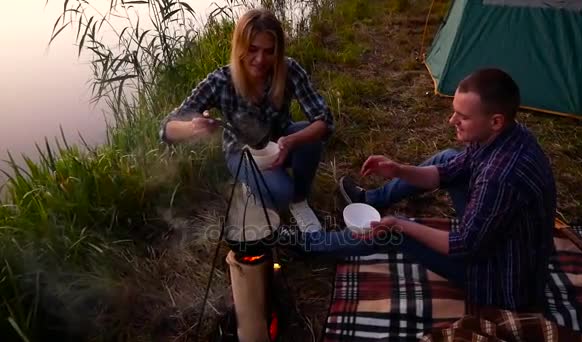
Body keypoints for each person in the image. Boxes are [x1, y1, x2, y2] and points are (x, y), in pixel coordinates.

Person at [288, 68, 556, 311]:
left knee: (391, 232)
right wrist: (399, 169)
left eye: (462, 117)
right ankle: (370, 199)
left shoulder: (500, 177)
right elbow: (447, 173)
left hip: (499, 282)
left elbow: (463, 246)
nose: (452, 121)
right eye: (454, 112)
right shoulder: (503, 134)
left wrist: (400, 225)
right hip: (501, 245)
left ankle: (308, 243)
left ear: (496, 121)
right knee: (447, 158)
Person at [159, 8, 333, 232]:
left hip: (281, 141)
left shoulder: (289, 69)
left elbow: (324, 120)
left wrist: (292, 141)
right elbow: (166, 128)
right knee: (281, 192)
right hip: (242, 153)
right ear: (240, 46)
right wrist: (193, 127)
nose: (260, 60)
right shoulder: (221, 81)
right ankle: (256, 187)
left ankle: (299, 201)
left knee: (309, 137)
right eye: (252, 49)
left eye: (269, 51)